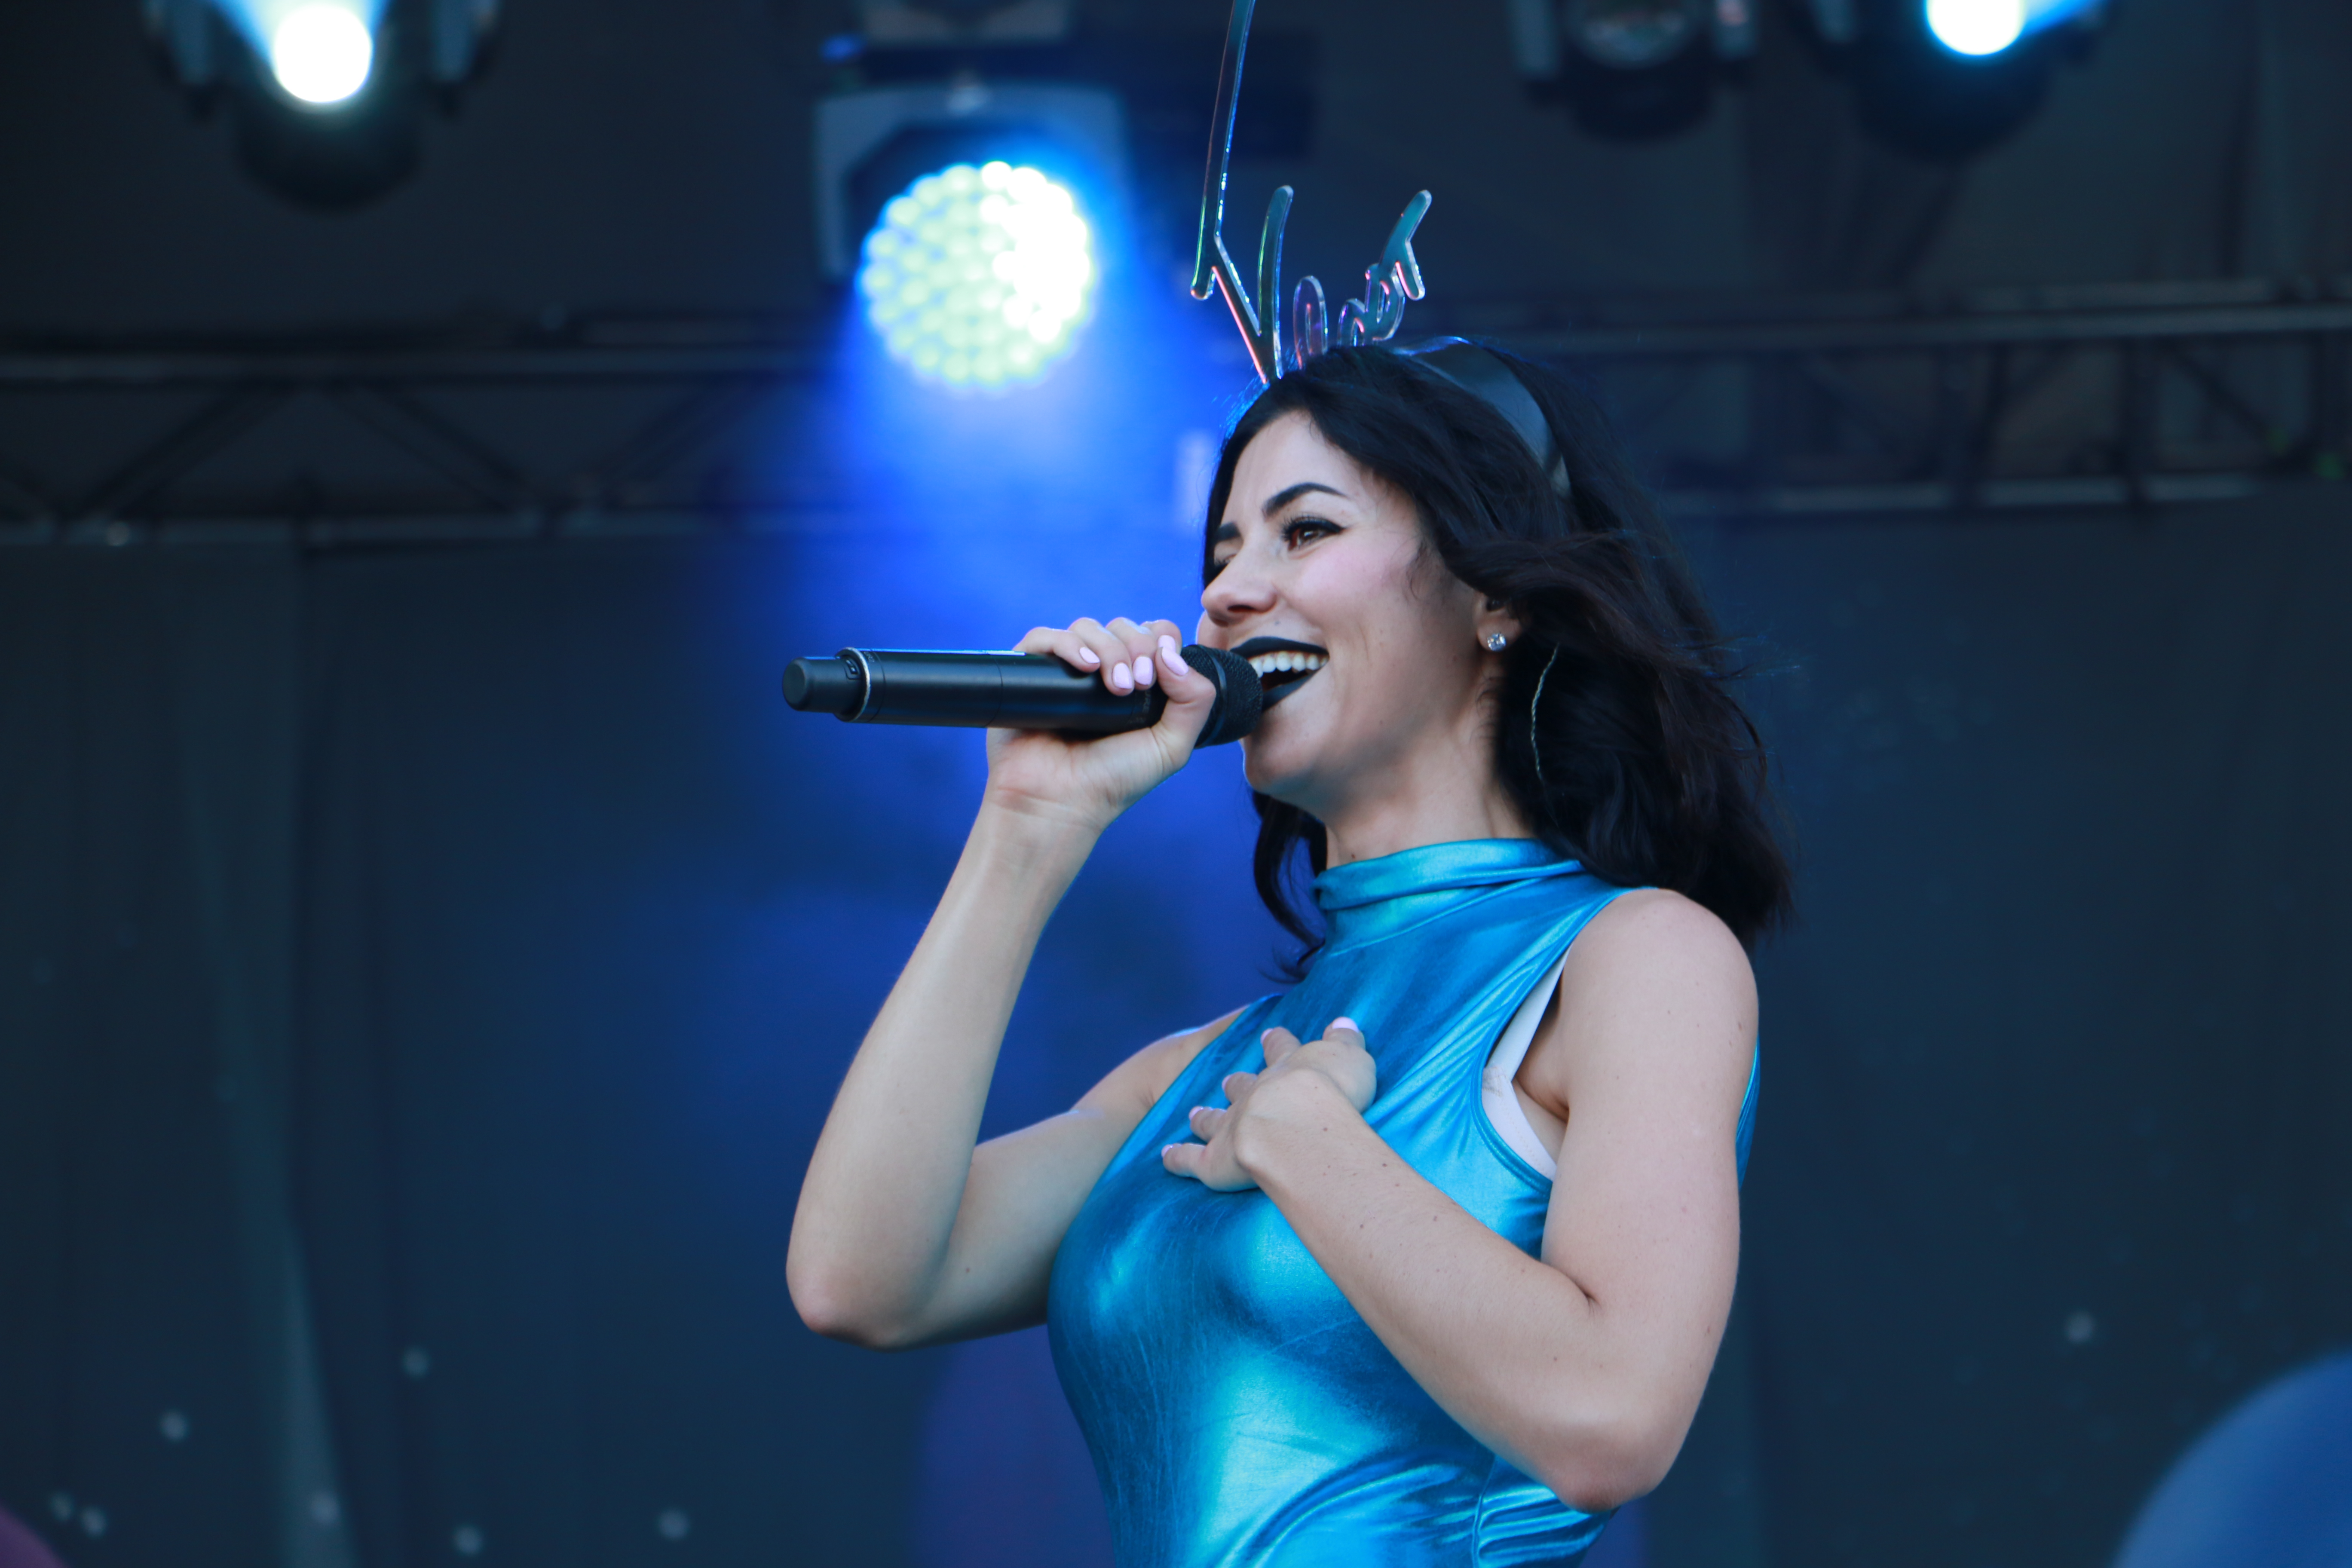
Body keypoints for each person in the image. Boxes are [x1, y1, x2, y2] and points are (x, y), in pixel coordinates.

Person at [787, 342, 1792, 1566]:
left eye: (1303, 532)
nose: (1227, 594)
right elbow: (862, 1281)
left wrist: (1314, 1149)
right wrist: (1028, 829)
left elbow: (1609, 1423)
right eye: (1220, 555)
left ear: (1498, 597)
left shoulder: (1633, 958)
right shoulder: (1206, 1073)